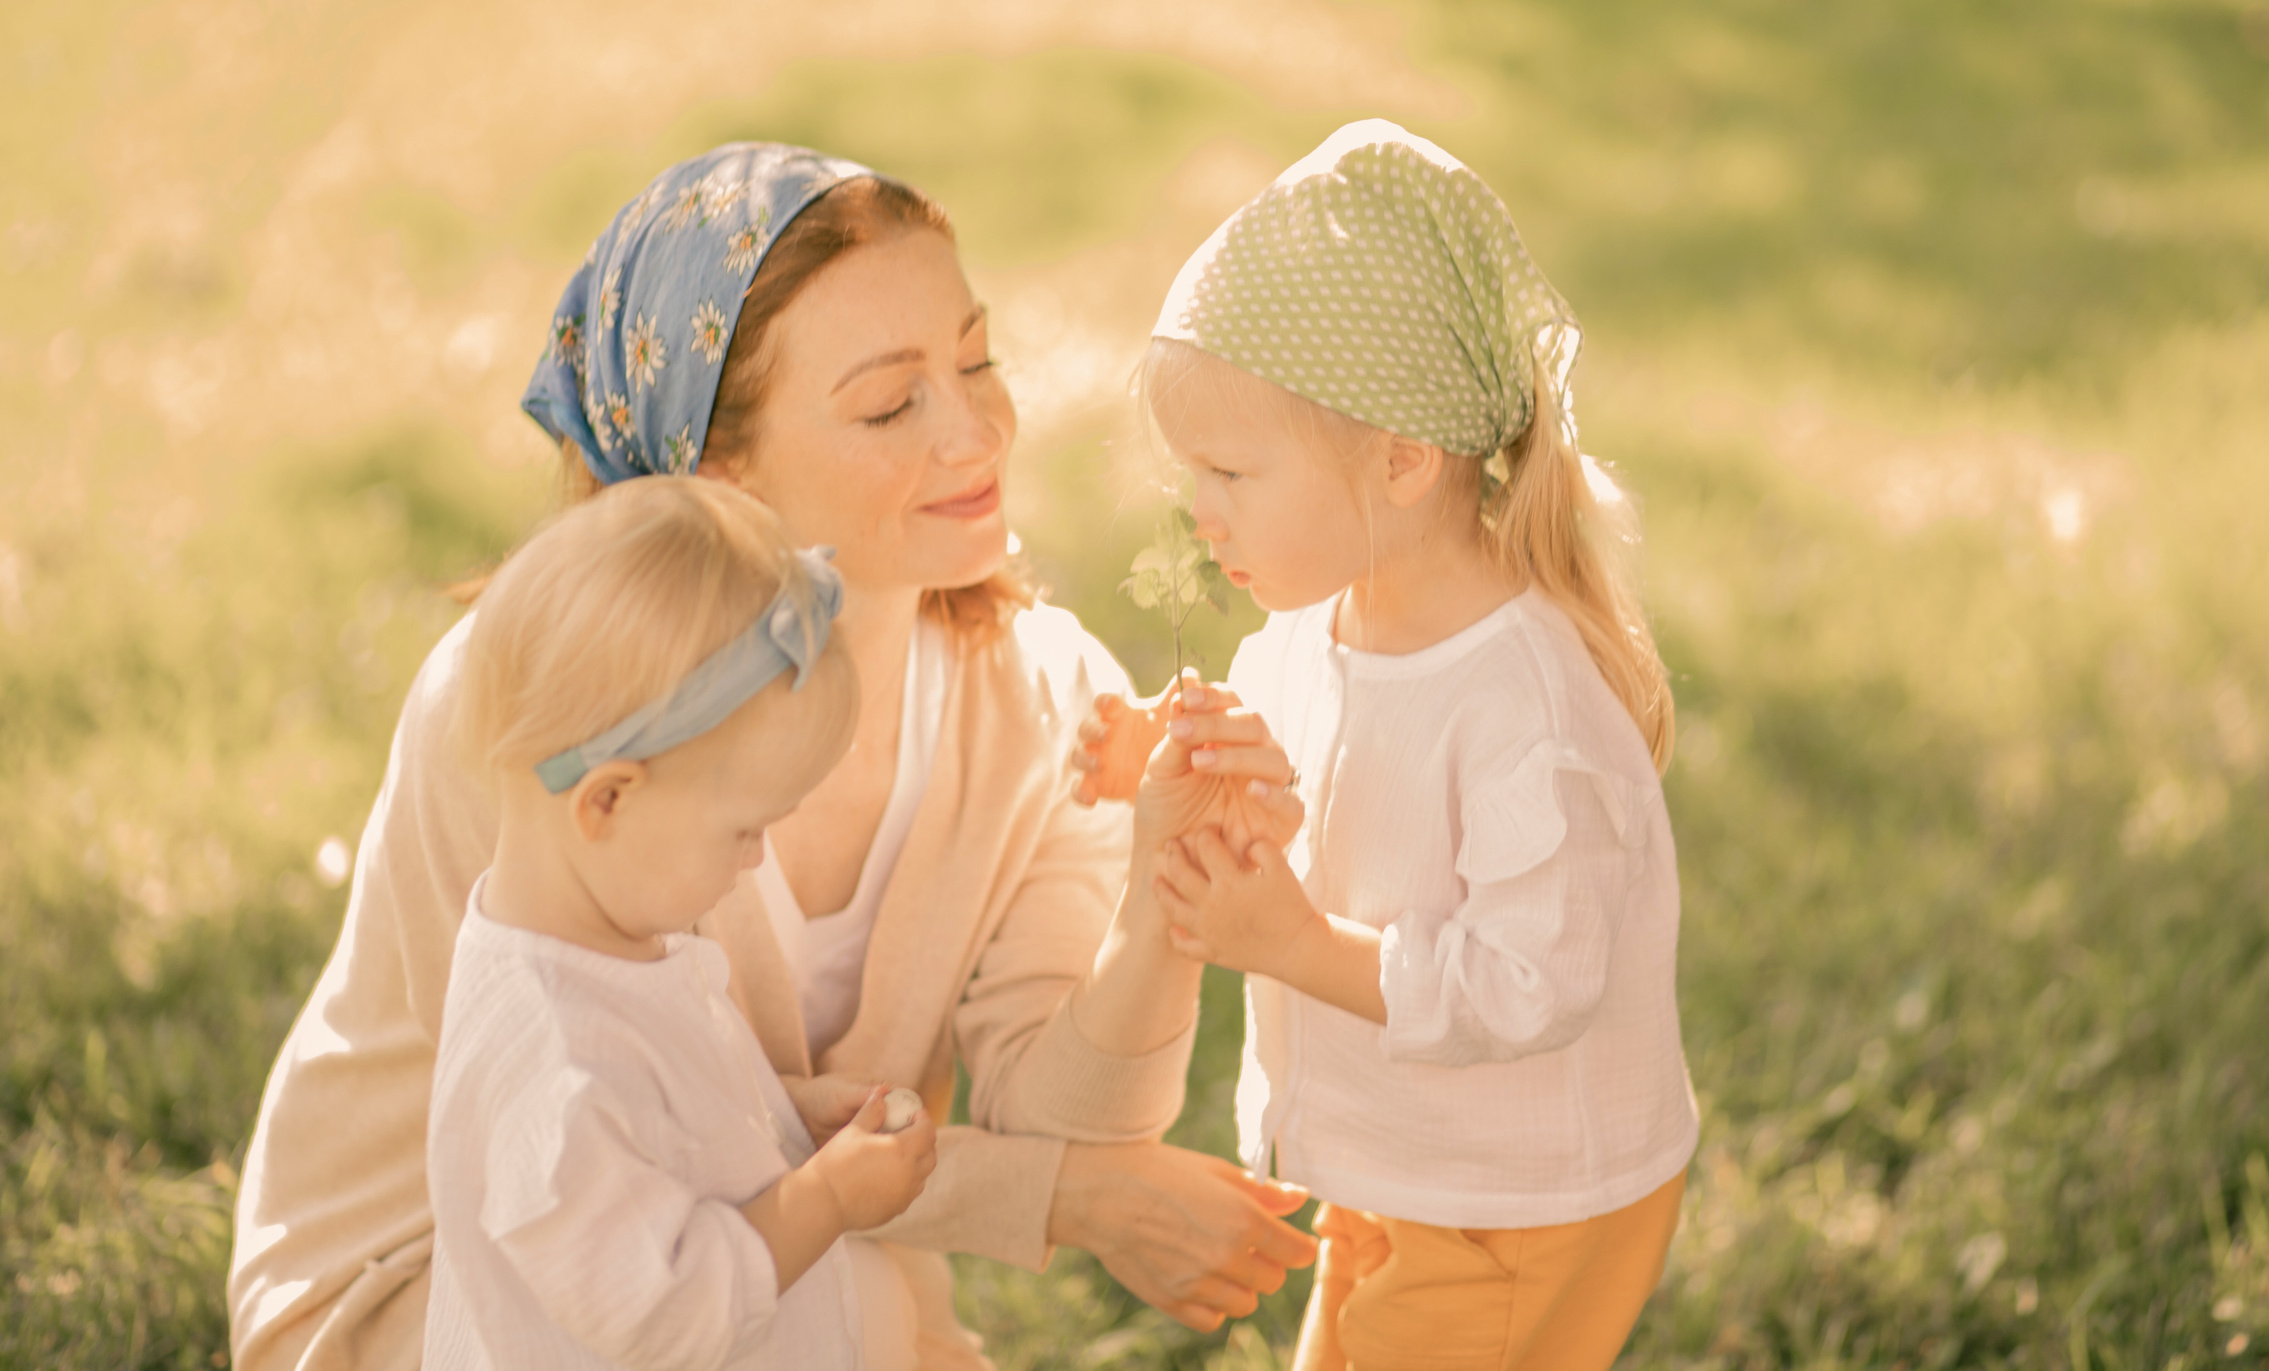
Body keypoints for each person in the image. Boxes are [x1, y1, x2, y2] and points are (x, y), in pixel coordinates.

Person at [231, 143, 1316, 1371]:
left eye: (974, 362)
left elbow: (1063, 1116)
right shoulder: (541, 714)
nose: (976, 431)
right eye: (891, 404)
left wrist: (1164, 904)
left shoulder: (1044, 705)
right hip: (471, 1283)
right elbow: (605, 1145)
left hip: (782, 1263)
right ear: (716, 468)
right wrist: (1064, 1200)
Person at [1081, 122, 1701, 1371]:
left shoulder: (1526, 708)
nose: (1200, 514)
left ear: (1401, 462)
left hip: (1514, 1204)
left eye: (1230, 473)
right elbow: (1297, 751)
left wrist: (1298, 947)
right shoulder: (1316, 620)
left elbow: (1530, 981)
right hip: (1406, 1165)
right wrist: (1178, 749)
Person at [425, 475, 937, 1369]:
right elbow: (664, 1312)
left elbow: (660, 1130)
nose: (756, 858)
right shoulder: (554, 1068)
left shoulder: (600, 943)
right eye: (744, 830)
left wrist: (774, 1114)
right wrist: (825, 1197)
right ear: (608, 800)